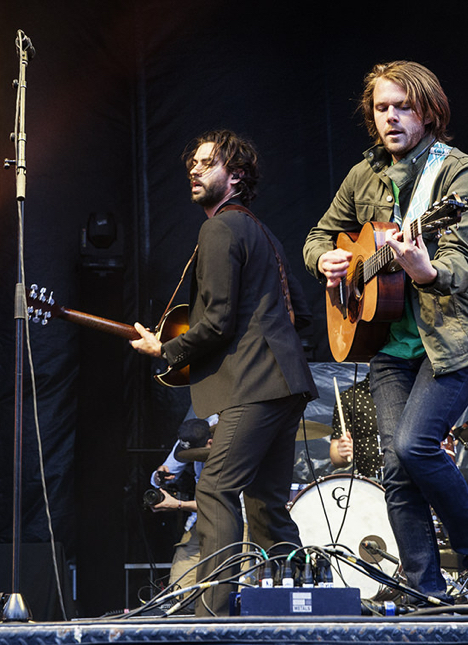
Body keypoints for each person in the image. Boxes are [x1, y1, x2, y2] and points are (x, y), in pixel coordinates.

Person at [303, 61, 468, 605]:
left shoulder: (460, 174)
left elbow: (461, 264)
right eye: (381, 108)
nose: (391, 117)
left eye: (403, 107)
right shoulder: (362, 174)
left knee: (416, 447)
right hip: (388, 345)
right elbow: (319, 235)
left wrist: (426, 271)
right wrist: (326, 259)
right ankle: (424, 589)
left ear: (428, 111)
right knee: (395, 466)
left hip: (454, 342)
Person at [131, 130, 318, 616]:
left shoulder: (218, 229)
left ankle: (214, 614)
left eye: (207, 163)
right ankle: (296, 606)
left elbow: (214, 321)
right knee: (265, 503)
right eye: (191, 163)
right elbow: (305, 313)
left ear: (235, 175)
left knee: (216, 488)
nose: (194, 170)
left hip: (254, 386)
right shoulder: (264, 233)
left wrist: (166, 348)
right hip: (287, 384)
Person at [147, 417, 214, 599]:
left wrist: (177, 505)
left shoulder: (231, 445)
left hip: (237, 521)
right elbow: (164, 472)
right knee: (177, 593)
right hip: (200, 523)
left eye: (195, 455)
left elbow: (218, 504)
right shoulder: (193, 434)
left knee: (232, 592)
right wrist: (159, 477)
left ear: (210, 443)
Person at [329, 377, 383, 479]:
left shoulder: (414, 392)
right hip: (371, 484)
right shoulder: (350, 397)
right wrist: (342, 453)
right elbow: (335, 457)